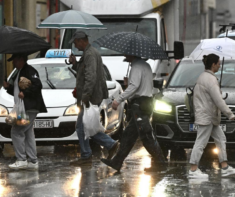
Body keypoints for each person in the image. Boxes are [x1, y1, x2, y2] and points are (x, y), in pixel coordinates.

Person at [100, 54, 167, 172]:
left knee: (146, 136)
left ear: (132, 54)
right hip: (145, 103)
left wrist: (118, 99)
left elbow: (135, 86)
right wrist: (128, 84)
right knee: (128, 135)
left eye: (127, 53)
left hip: (140, 104)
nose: (124, 54)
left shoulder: (136, 67)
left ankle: (160, 163)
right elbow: (140, 85)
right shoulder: (144, 65)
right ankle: (117, 162)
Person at [68, 31, 120, 165]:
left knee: (83, 127)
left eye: (75, 43)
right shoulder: (88, 53)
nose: (75, 45)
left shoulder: (90, 54)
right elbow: (84, 73)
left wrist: (85, 97)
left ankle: (104, 147)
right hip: (90, 97)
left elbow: (90, 77)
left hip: (89, 98)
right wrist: (75, 63)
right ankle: (102, 148)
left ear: (81, 41)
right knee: (87, 126)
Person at [188, 53, 235, 178]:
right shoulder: (210, 80)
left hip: (209, 116)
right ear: (213, 64)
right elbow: (218, 100)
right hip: (207, 116)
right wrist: (230, 114)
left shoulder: (204, 77)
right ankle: (193, 170)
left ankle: (225, 166)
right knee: (200, 142)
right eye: (218, 64)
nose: (220, 66)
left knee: (221, 139)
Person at [3, 53, 47, 170]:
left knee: (16, 131)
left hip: (29, 107)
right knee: (28, 133)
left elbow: (38, 85)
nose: (13, 63)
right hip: (24, 107)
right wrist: (8, 88)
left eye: (15, 60)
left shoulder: (29, 70)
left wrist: (26, 93)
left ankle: (21, 159)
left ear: (21, 59)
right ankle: (33, 161)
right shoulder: (20, 72)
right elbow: (18, 91)